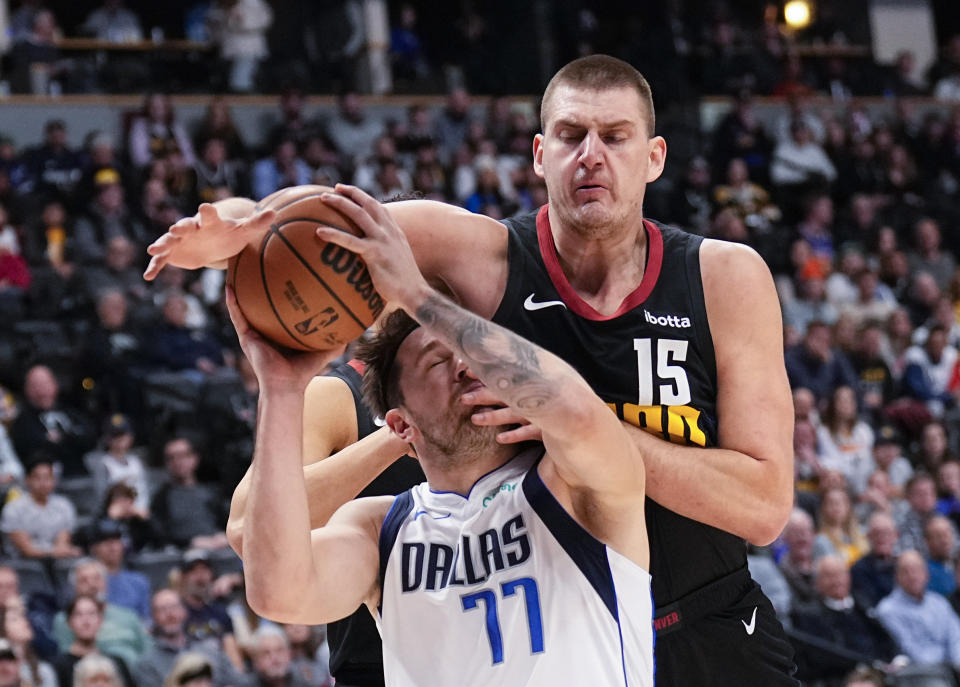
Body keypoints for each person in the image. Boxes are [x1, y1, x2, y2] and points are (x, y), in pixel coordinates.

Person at [145, 54, 797, 686]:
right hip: (538, 625)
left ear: (654, 156)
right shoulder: (481, 258)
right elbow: (304, 222)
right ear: (540, 154)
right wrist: (230, 231)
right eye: (571, 136)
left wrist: (568, 426)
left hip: (705, 625)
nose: (590, 155)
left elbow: (764, 506)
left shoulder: (723, 277)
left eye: (615, 137)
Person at [229, 255, 654, 686]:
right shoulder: (379, 529)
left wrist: (418, 295)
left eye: (474, 350)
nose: (465, 364)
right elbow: (277, 590)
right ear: (398, 424)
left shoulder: (571, 487)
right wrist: (281, 391)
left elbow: (584, 419)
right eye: (437, 360)